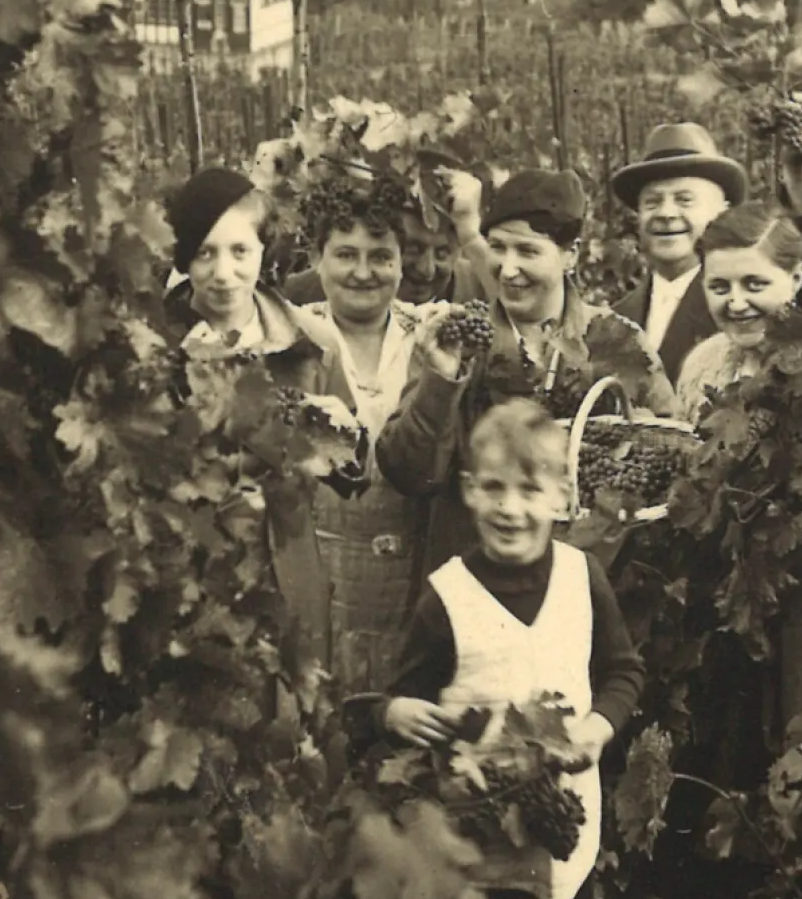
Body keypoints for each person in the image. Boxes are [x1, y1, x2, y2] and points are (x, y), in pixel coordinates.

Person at [380, 401, 646, 899]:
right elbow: (404, 693)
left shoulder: (582, 577)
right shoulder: (447, 598)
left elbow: (623, 672)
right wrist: (394, 712)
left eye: (530, 490)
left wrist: (597, 728)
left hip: (561, 820)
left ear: (561, 497)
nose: (510, 508)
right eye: (494, 487)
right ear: (469, 490)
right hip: (474, 830)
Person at [376, 169, 678, 576]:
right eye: (498, 248)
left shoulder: (617, 340)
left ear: (570, 254)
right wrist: (440, 381)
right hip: (476, 578)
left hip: (591, 579)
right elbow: (409, 473)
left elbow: (668, 454)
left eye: (528, 251)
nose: (508, 268)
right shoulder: (461, 339)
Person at [163, 167, 366, 678]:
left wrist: (346, 438)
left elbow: (350, 478)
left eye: (240, 251)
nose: (223, 272)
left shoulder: (312, 342)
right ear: (184, 258)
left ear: (263, 251)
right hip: (192, 576)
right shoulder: (156, 346)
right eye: (205, 253)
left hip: (290, 571)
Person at [286, 179, 436, 697]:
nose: (363, 272)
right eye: (345, 254)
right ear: (316, 257)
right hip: (324, 581)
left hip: (412, 584)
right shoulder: (290, 340)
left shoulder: (429, 335)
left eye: (381, 256)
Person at [610, 110, 802, 383]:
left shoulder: (753, 302)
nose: (666, 213)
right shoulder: (617, 318)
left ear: (722, 210)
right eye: (652, 203)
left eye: (684, 200)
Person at [283, 154, 490, 309]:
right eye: (413, 248)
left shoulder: (484, 287)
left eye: (443, 253)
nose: (427, 270)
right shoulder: (302, 296)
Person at [671, 202, 802, 420]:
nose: (736, 304)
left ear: (796, 278)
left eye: (754, 285)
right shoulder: (700, 366)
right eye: (719, 287)